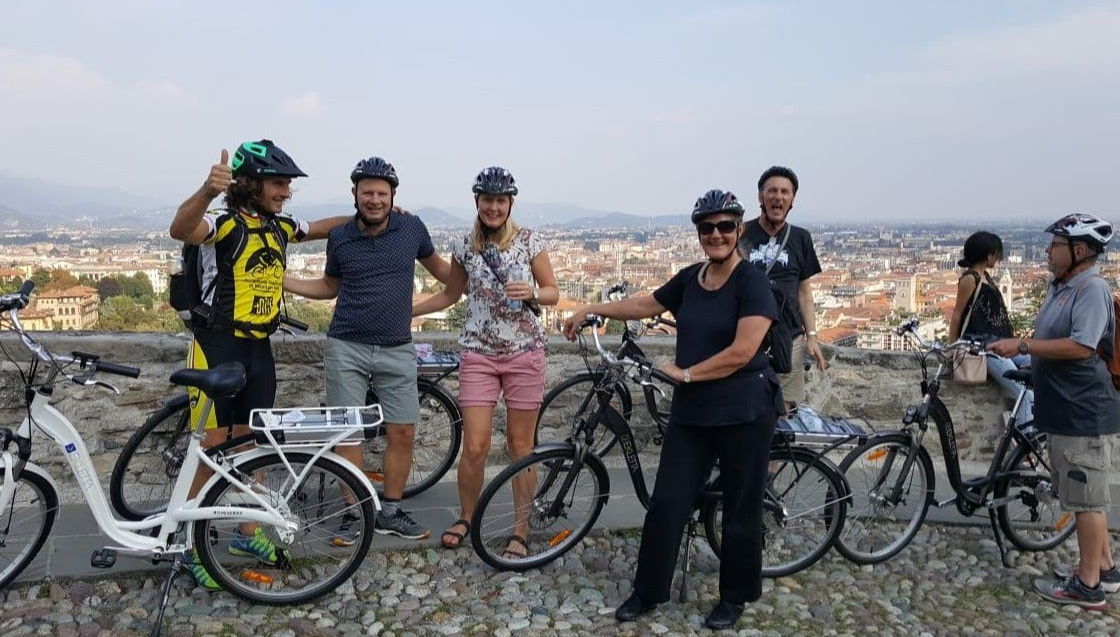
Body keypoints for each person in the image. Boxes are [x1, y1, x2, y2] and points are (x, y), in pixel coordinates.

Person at [564, 189, 783, 630]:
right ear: (699, 234)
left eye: (725, 226)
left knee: (741, 506)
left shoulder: (752, 282)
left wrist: (684, 374)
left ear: (739, 230)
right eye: (708, 228)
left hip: (744, 409)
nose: (716, 234)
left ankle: (734, 596)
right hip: (695, 411)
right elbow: (646, 304)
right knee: (668, 502)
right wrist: (594, 308)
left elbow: (743, 351)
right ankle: (648, 591)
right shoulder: (691, 278)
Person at [168, 140, 350, 589]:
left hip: (258, 349)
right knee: (212, 451)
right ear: (250, 183)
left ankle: (247, 535)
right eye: (278, 182)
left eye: (288, 184)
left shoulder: (279, 226)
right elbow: (181, 228)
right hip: (217, 346)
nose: (286, 191)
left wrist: (374, 217)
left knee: (254, 447)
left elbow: (321, 227)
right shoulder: (224, 223)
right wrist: (207, 190)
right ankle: (188, 545)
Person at [285, 156, 448, 541]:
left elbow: (444, 273)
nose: (374, 199)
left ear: (393, 196)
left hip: (396, 347)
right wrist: (287, 283)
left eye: (381, 193)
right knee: (348, 434)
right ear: (354, 194)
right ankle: (354, 512)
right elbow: (330, 287)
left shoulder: (412, 228)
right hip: (347, 345)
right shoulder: (341, 236)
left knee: (403, 431)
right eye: (367, 192)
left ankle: (389, 510)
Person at [412, 166, 559, 556]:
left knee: (520, 445)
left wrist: (532, 291)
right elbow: (451, 293)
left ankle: (521, 529)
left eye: (500, 200)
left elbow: (553, 293)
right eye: (487, 200)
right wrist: (408, 311)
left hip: (524, 353)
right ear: (476, 201)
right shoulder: (465, 245)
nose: (493, 207)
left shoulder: (530, 241)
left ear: (510, 203)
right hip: (478, 353)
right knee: (474, 446)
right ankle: (466, 516)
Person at [987, 213, 1119, 610]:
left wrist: (1023, 347)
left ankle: (1088, 586)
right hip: (1063, 409)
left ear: (1079, 251)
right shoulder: (1063, 287)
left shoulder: (1091, 288)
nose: (1048, 251)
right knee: (1080, 496)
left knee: (1087, 501)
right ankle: (1106, 569)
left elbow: (1081, 346)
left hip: (1085, 412)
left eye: (1055, 245)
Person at [738, 166, 825, 415]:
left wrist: (812, 336)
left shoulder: (800, 238)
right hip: (747, 337)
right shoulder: (740, 233)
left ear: (792, 200)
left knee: (782, 410)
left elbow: (804, 291)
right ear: (760, 197)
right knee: (744, 406)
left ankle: (773, 455)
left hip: (789, 339)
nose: (778, 196)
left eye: (785, 192)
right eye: (772, 191)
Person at [949, 231, 1032, 423]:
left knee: (1039, 360)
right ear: (988, 255)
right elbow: (958, 314)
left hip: (1002, 343)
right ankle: (1021, 447)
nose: (999, 258)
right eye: (997, 254)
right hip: (984, 348)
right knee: (1025, 396)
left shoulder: (984, 276)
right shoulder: (970, 278)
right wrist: (952, 347)